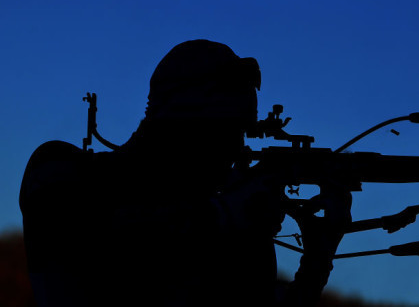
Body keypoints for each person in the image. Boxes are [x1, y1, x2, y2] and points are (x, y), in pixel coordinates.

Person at [20, 39, 351, 306]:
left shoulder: (225, 224)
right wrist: (226, 215)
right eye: (225, 132)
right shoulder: (61, 170)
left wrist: (317, 261)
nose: (236, 149)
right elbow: (87, 235)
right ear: (183, 124)